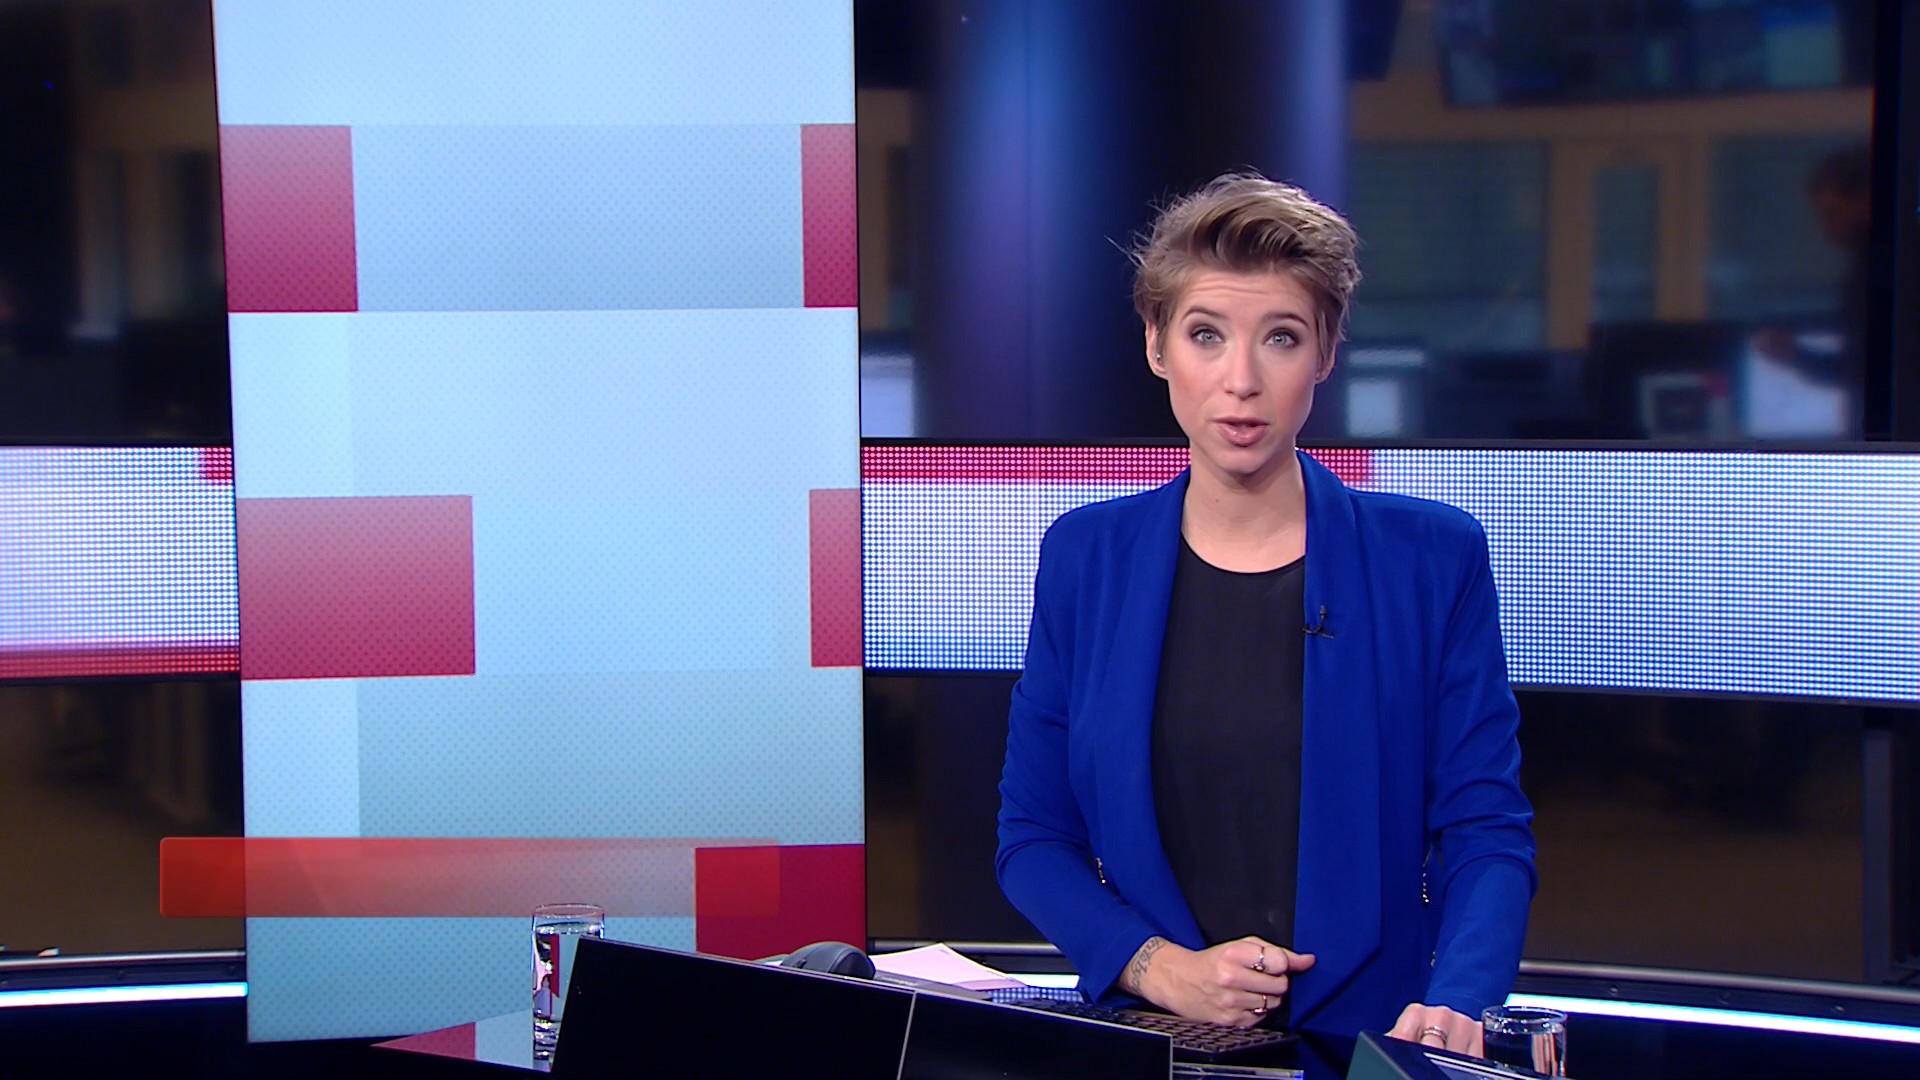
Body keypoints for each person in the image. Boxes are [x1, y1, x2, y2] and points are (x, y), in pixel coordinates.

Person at [995, 172, 1536, 1056]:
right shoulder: (1086, 558)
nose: (1240, 381)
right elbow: (1033, 838)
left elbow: (1485, 831)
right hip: (1157, 1042)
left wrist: (1459, 1003)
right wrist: (1153, 965)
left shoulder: (1432, 560)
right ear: (1157, 345)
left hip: (1374, 1043)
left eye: (1280, 337)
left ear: (1324, 354)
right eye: (1206, 335)